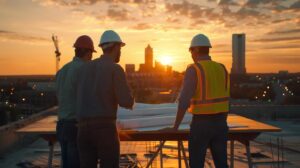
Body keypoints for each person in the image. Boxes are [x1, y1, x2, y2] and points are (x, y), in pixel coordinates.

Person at [76, 30, 134, 168]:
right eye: (120, 48)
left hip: (83, 131)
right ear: (115, 47)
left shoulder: (84, 68)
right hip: (105, 131)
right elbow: (126, 101)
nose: (121, 52)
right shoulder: (115, 69)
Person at [171, 34, 230, 168]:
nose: (191, 55)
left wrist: (175, 127)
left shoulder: (194, 69)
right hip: (221, 123)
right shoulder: (222, 68)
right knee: (222, 164)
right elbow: (226, 99)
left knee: (196, 164)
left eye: (191, 51)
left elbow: (184, 101)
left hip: (201, 124)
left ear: (196, 50)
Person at [55, 35, 96, 168]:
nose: (92, 58)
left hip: (61, 125)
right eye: (91, 54)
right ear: (88, 52)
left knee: (67, 164)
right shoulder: (83, 69)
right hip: (75, 126)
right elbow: (88, 98)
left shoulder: (63, 70)